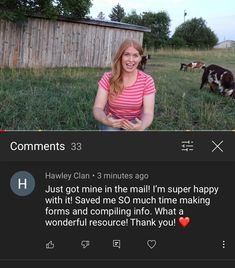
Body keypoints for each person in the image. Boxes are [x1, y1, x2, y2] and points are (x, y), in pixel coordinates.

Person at [93, 39, 156, 131]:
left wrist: (142, 126)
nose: (131, 60)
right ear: (120, 56)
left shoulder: (147, 80)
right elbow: (97, 108)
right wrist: (105, 120)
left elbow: (148, 113)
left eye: (135, 55)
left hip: (135, 121)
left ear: (140, 58)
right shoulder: (108, 77)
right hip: (112, 121)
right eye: (126, 54)